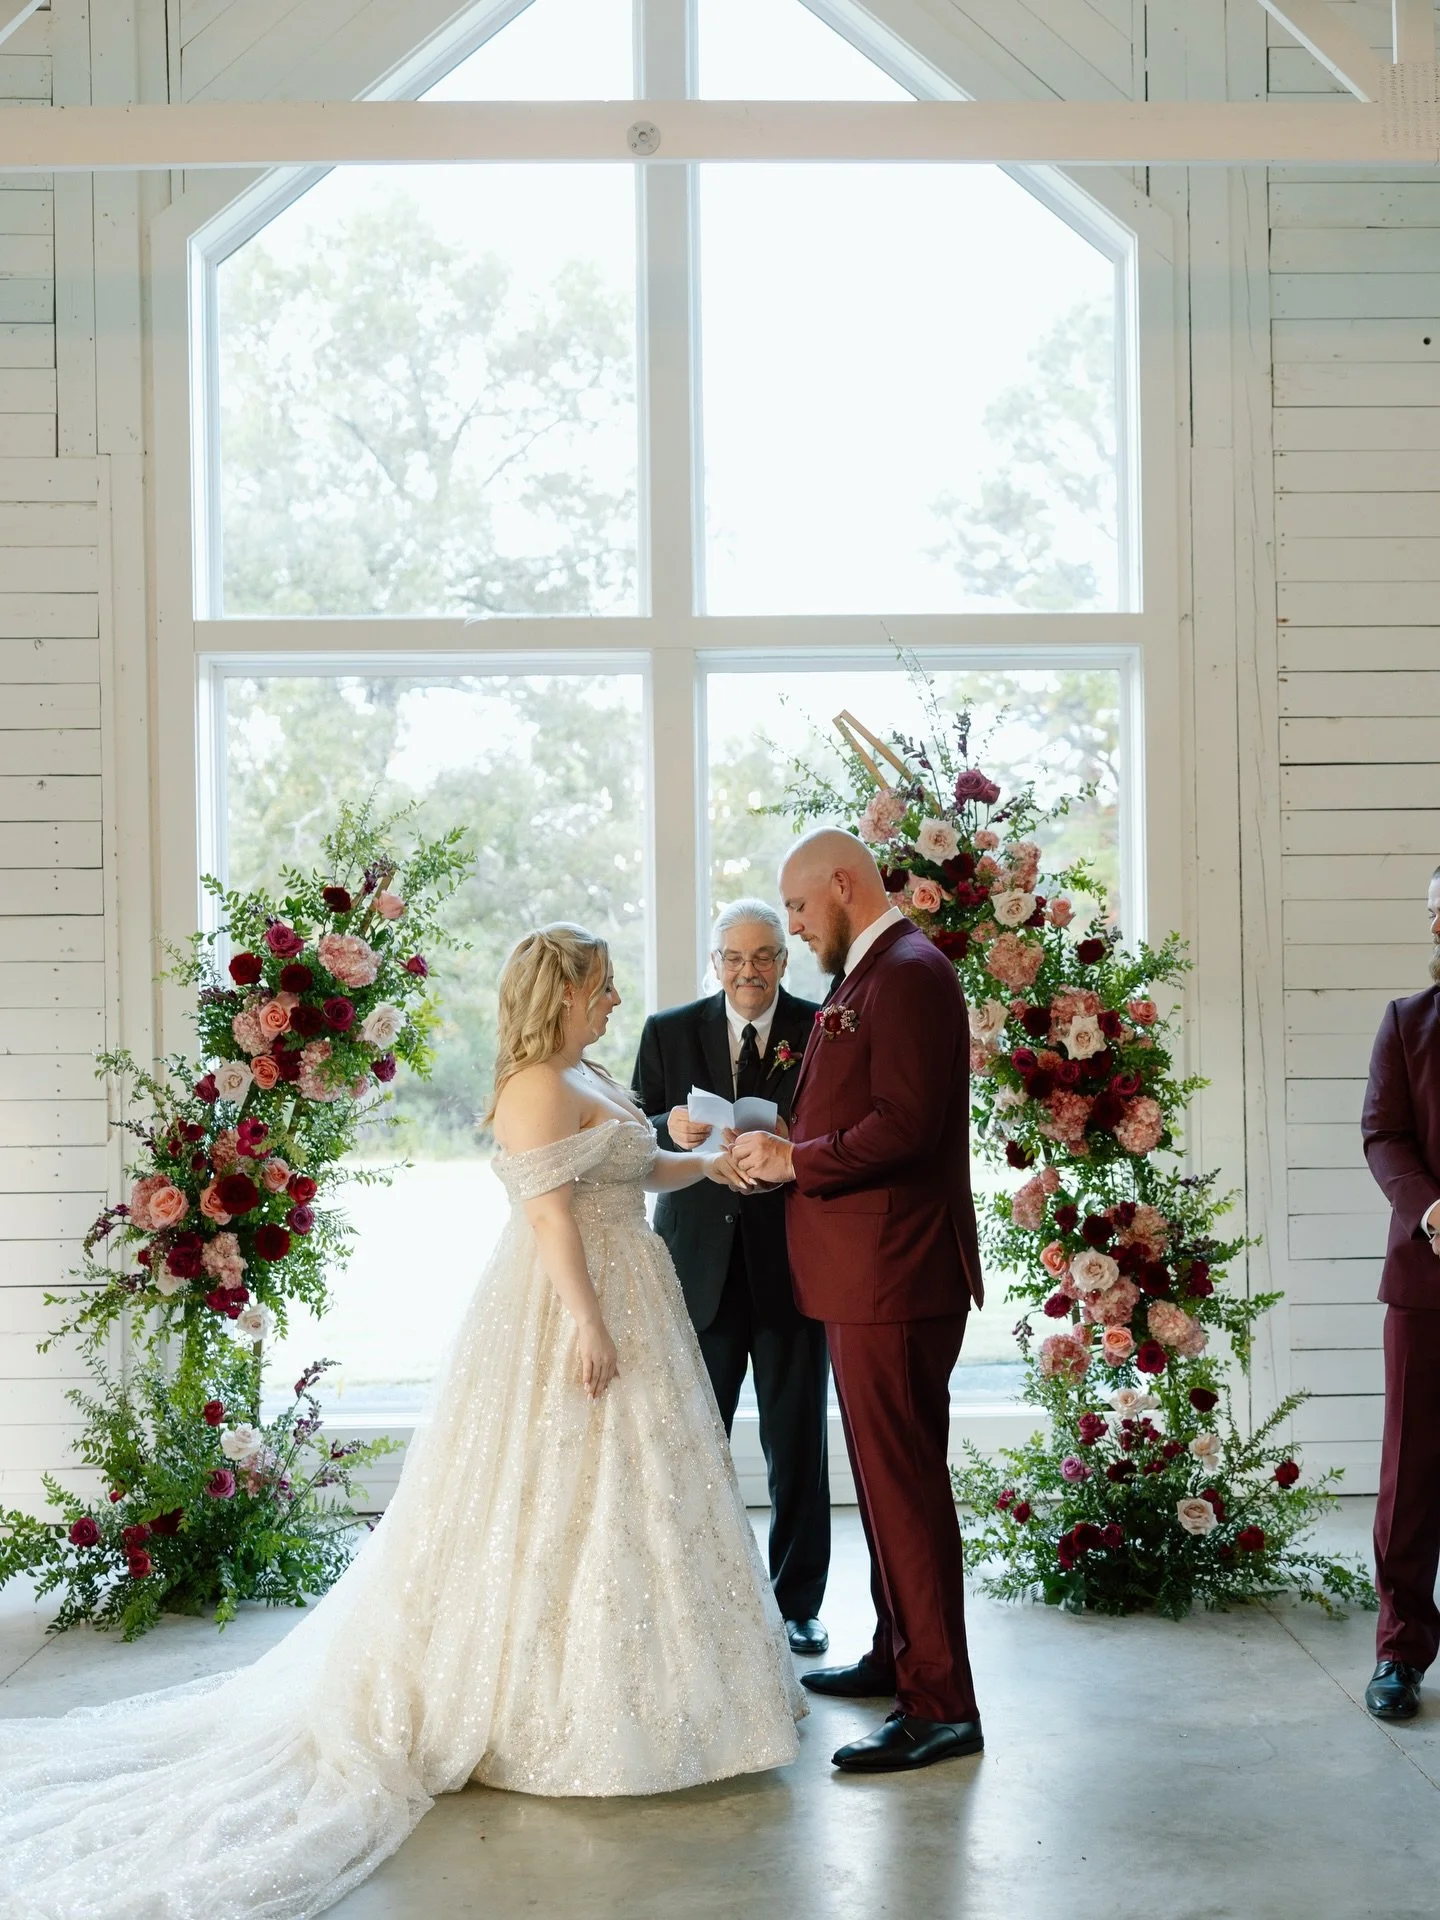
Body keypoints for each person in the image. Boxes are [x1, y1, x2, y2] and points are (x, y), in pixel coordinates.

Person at [0, 924, 803, 1918]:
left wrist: (715, 1161)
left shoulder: (589, 1069)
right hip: (571, 1305)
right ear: (558, 995)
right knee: (553, 1493)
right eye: (598, 986)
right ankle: (537, 1702)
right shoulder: (532, 1091)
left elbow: (633, 1174)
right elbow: (553, 1221)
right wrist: (589, 1328)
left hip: (638, 1287)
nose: (611, 999)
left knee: (641, 1499)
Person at [732, 828, 985, 1775]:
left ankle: (942, 1704)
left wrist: (799, 1159)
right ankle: (898, 1653)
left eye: (797, 909)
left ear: (842, 886)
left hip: (895, 1273)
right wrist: (776, 1145)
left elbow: (910, 1126)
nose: (792, 929)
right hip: (862, 1272)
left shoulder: (911, 972)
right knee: (882, 1486)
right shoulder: (867, 974)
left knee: (906, 1488)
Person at [632, 898, 830, 1656]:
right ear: (715, 964)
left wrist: (792, 1138)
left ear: (785, 961)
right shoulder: (668, 1031)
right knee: (692, 1442)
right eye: (735, 959)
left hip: (792, 1267)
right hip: (698, 1269)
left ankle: (798, 1605)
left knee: (797, 1445)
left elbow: (838, 1136)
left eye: (765, 957)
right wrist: (667, 1128)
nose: (750, 972)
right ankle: (695, 1598)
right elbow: (631, 1132)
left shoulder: (819, 1029)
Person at [1361, 863, 1440, 1722]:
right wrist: (1432, 1210)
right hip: (1429, 1277)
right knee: (1410, 1475)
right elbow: (1383, 1131)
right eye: (1434, 911)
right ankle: (1399, 1650)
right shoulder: (1407, 1023)